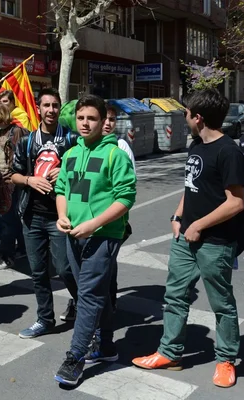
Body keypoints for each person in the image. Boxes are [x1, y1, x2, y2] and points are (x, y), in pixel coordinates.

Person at [132, 89, 244, 389]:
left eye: (187, 112)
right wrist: (178, 216)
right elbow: (190, 186)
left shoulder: (228, 151)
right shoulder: (196, 145)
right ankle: (170, 353)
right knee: (174, 297)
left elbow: (236, 202)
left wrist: (200, 226)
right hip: (185, 238)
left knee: (222, 304)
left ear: (198, 117)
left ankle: (225, 359)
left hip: (216, 242)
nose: (184, 116)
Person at [53, 94, 136, 386]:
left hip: (103, 235)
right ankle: (108, 345)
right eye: (81, 118)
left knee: (88, 295)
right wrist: (62, 214)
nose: (85, 123)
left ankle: (75, 357)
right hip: (73, 232)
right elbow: (61, 187)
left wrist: (93, 224)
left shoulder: (115, 154)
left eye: (91, 118)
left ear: (103, 122)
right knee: (87, 289)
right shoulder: (71, 153)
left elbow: (126, 198)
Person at [10, 88, 79, 339]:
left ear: (60, 108)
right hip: (32, 215)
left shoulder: (71, 139)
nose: (51, 110)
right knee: (38, 271)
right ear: (38, 109)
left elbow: (84, 168)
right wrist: (30, 180)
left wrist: (66, 171)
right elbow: (13, 174)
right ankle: (45, 319)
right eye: (46, 105)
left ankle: (85, 308)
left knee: (64, 268)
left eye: (55, 105)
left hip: (61, 215)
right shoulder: (28, 141)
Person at [102, 104, 136, 311]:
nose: (107, 123)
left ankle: (109, 304)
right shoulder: (86, 145)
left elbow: (128, 190)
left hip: (113, 221)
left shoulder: (121, 146)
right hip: (87, 221)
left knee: (107, 265)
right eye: (104, 119)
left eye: (112, 120)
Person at [0, 103, 26, 270]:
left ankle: (7, 256)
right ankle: (21, 249)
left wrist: (13, 177)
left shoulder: (15, 131)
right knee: (10, 220)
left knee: (7, 220)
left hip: (11, 181)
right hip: (1, 180)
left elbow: (19, 157)